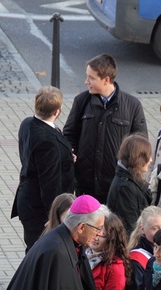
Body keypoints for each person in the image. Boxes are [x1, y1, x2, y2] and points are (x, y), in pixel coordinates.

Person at [63, 53, 148, 203]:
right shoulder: (81, 101)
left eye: (91, 78)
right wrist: (74, 157)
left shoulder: (132, 105)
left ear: (106, 80)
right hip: (86, 186)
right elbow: (70, 134)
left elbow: (140, 144)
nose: (86, 81)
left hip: (118, 187)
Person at [12, 86, 75, 251]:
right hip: (39, 209)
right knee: (39, 251)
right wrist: (54, 215)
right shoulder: (48, 143)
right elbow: (49, 182)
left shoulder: (27, 123)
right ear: (57, 112)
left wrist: (66, 157)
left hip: (28, 200)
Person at [106, 134, 153, 234]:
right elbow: (130, 227)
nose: (151, 160)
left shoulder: (131, 178)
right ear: (138, 158)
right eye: (148, 156)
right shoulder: (124, 188)